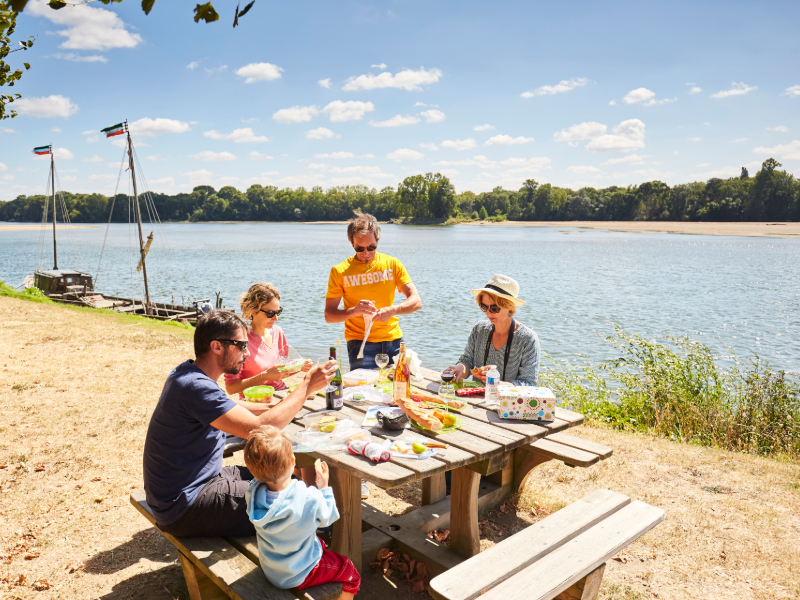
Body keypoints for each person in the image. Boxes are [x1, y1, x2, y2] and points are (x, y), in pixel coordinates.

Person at [143, 309, 335, 538]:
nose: (246, 353)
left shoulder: (188, 374)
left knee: (289, 481)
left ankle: (312, 520)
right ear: (216, 346)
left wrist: (282, 406)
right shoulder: (196, 387)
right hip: (185, 504)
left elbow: (233, 408)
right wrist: (306, 386)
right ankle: (320, 534)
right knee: (294, 501)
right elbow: (260, 429)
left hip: (192, 485)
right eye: (241, 345)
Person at [244, 425, 360, 599]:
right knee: (350, 571)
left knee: (319, 542)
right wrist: (324, 487)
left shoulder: (253, 494)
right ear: (292, 461)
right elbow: (329, 516)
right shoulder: (307, 498)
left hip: (273, 569)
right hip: (300, 573)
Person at [324, 211, 422, 372]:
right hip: (360, 345)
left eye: (372, 247)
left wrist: (392, 310)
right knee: (363, 394)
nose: (366, 253)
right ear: (351, 242)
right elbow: (329, 316)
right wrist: (354, 311)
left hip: (394, 341)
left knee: (398, 391)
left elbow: (416, 301)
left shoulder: (392, 264)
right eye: (359, 248)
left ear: (378, 239)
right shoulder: (340, 271)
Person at [443, 274, 540, 387]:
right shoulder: (479, 329)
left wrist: (497, 384)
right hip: (476, 400)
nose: (488, 312)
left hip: (507, 403)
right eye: (484, 307)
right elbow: (468, 361)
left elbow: (529, 383)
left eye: (494, 308)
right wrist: (460, 368)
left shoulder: (527, 338)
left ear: (509, 306)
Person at [224, 282, 311, 398]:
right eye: (270, 313)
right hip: (255, 401)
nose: (276, 318)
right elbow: (231, 388)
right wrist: (264, 376)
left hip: (281, 393)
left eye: (278, 312)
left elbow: (280, 373)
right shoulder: (237, 340)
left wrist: (299, 367)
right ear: (253, 310)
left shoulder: (278, 333)